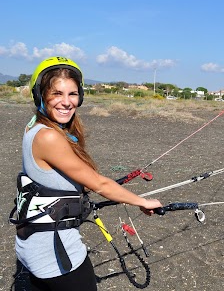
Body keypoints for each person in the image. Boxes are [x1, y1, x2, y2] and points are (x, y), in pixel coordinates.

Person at [13, 56, 162, 291]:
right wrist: (142, 201)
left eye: (72, 94)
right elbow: (100, 183)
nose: (66, 102)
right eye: (56, 94)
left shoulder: (34, 126)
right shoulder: (49, 136)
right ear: (41, 95)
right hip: (55, 254)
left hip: (32, 247)